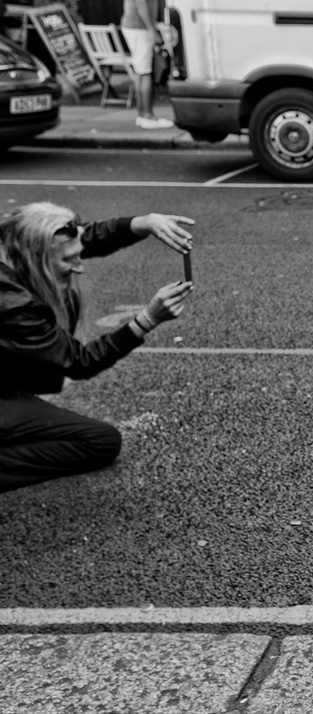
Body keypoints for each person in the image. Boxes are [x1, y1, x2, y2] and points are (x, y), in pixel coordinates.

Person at [0, 202, 195, 492]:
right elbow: (80, 362)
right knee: (99, 442)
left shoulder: (15, 242)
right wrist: (147, 319)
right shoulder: (13, 305)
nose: (79, 267)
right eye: (69, 262)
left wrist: (143, 222)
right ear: (35, 258)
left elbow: (81, 239)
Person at [121, 0, 174, 130]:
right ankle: (148, 116)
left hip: (135, 26)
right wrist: (152, 30)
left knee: (140, 71)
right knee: (145, 73)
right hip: (140, 28)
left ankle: (142, 114)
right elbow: (141, 7)